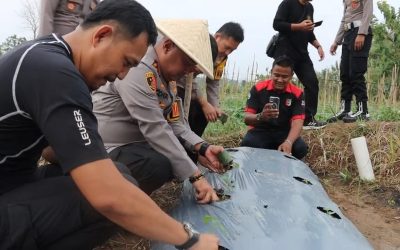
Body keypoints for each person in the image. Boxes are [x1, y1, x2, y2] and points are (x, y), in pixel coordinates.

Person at [0, 1, 219, 249]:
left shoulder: (48, 55)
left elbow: (50, 152)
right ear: (102, 35)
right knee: (108, 196)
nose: (122, 75)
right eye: (125, 62)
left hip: (15, 182)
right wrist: (189, 239)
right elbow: (106, 194)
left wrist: (97, 168)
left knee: (120, 178)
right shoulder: (54, 72)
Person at [92, 20, 225, 201]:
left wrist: (202, 147)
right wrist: (196, 177)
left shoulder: (168, 78)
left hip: (134, 145)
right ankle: (114, 203)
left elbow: (176, 121)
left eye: (193, 71)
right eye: (186, 65)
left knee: (181, 153)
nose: (187, 73)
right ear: (168, 46)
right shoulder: (138, 67)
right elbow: (155, 127)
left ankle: (130, 197)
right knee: (158, 165)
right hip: (105, 148)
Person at [177, 22, 244, 136]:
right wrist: (204, 103)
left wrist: (215, 107)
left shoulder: (222, 58)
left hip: (188, 87)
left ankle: (194, 146)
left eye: (232, 50)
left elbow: (213, 83)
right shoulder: (199, 46)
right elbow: (187, 77)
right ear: (217, 37)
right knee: (189, 110)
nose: (228, 53)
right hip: (176, 83)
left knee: (204, 113)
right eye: (227, 47)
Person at [272, 0, 327, 130]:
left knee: (312, 82)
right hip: (285, 51)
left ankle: (308, 119)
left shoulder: (309, 7)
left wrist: (318, 46)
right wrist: (299, 26)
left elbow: (309, 31)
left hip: (302, 53)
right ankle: (273, 119)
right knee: (279, 84)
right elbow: (277, 24)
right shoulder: (287, 3)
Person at [241, 56, 308, 160]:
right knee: (248, 143)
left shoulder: (298, 94)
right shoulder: (258, 89)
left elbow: (298, 122)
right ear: (271, 72)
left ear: (291, 76)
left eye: (284, 77)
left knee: (300, 148)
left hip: (284, 133)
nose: (280, 80)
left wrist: (288, 142)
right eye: (276, 75)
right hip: (261, 131)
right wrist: (261, 116)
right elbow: (246, 118)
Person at [327, 0, 373, 123]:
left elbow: (368, 13)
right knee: (345, 73)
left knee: (356, 73)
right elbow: (345, 19)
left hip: (360, 32)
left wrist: (362, 33)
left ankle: (363, 111)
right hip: (348, 34)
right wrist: (337, 41)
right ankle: (345, 109)